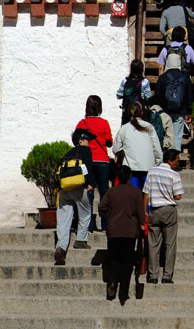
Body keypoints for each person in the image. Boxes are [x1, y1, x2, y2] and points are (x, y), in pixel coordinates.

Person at [98, 164, 146, 305]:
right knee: (126, 262)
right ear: (130, 177)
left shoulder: (112, 192)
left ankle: (112, 282)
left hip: (113, 231)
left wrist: (107, 215)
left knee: (113, 259)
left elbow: (101, 207)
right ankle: (123, 294)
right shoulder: (136, 192)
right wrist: (142, 225)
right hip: (130, 232)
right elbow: (140, 213)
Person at [54, 128, 96, 266]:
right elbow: (87, 166)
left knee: (64, 219)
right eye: (86, 140)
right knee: (85, 213)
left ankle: (60, 247)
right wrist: (90, 183)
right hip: (79, 187)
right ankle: (81, 240)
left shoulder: (67, 153)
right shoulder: (85, 151)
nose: (88, 142)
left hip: (64, 188)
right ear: (80, 141)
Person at [143, 148, 184, 285]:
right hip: (169, 210)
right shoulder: (174, 175)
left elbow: (146, 194)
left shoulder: (152, 172)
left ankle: (153, 274)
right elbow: (178, 196)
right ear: (170, 160)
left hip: (154, 210)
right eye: (176, 161)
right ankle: (167, 275)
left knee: (153, 243)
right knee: (170, 243)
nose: (176, 164)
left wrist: (145, 212)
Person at [155, 27, 194, 151]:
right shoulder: (185, 77)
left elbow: (158, 93)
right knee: (178, 134)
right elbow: (189, 96)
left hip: (166, 107)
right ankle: (175, 158)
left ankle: (165, 156)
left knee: (166, 132)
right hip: (180, 107)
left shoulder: (165, 51)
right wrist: (189, 111)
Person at [76, 94, 113, 232]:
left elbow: (76, 141)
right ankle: (105, 225)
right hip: (103, 161)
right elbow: (109, 142)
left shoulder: (82, 123)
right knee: (104, 194)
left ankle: (89, 225)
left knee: (89, 194)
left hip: (88, 162)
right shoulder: (104, 123)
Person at [112, 102, 162, 190]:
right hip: (147, 166)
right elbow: (156, 148)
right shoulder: (149, 127)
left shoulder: (124, 128)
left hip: (131, 168)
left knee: (133, 197)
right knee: (148, 196)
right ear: (142, 112)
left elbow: (116, 148)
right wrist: (157, 162)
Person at [116, 60, 152, 125]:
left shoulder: (125, 81)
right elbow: (148, 97)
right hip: (140, 111)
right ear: (142, 69)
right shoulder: (145, 81)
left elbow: (118, 95)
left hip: (127, 112)